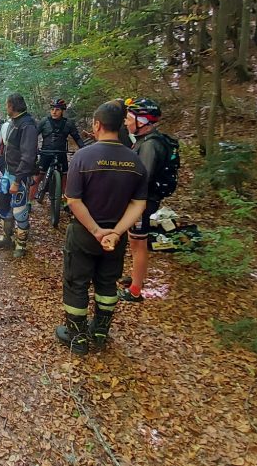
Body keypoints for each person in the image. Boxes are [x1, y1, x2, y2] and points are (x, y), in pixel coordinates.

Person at [57, 101, 149, 355]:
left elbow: (73, 200)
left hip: (84, 234)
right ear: (120, 126)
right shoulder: (135, 160)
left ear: (97, 125)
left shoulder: (83, 157)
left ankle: (77, 338)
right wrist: (117, 232)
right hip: (114, 240)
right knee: (107, 285)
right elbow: (138, 203)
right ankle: (100, 332)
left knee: (76, 283)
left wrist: (96, 231)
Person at [121, 98, 169, 303]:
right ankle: (135, 277)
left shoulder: (150, 145)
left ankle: (135, 290)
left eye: (129, 118)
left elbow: (143, 176)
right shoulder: (144, 140)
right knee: (134, 241)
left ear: (142, 121)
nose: (125, 121)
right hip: (139, 199)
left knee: (138, 243)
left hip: (142, 201)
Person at [0, 93, 38, 258]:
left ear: (12, 106)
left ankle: (21, 244)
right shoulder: (14, 122)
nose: (5, 107)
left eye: (7, 105)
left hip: (20, 177)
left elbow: (28, 156)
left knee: (20, 211)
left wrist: (17, 181)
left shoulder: (27, 125)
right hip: (8, 172)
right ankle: (6, 238)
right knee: (2, 202)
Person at [30, 98, 85, 201]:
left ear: (62, 111)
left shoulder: (68, 123)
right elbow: (33, 136)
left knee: (65, 178)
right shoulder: (44, 121)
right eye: (52, 109)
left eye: (57, 109)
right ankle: (29, 202)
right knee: (38, 177)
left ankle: (64, 202)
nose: (54, 112)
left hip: (61, 153)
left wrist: (84, 150)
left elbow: (77, 138)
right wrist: (34, 148)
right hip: (46, 153)